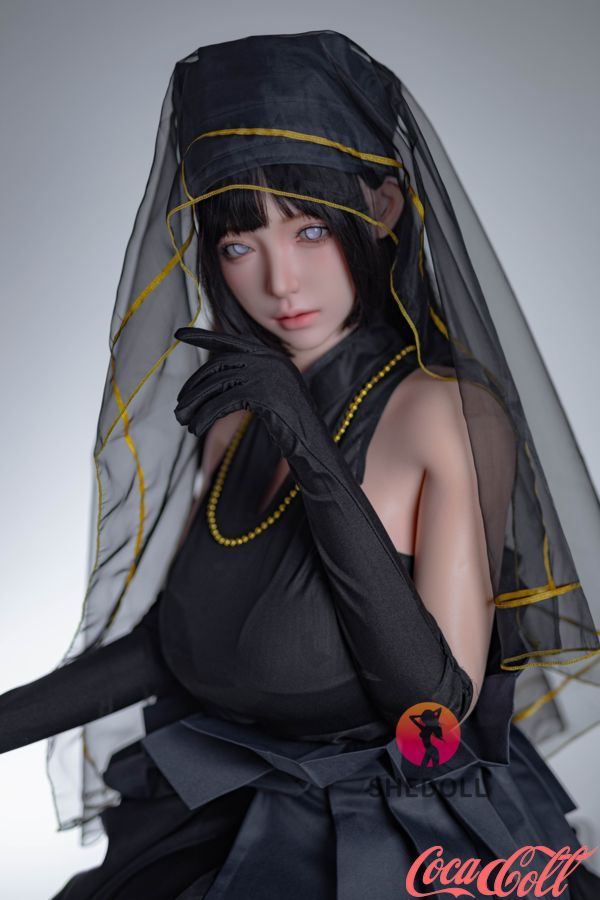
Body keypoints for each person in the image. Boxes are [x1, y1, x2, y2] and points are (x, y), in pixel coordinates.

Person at [1, 30, 599, 899]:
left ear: (382, 208)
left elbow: (434, 719)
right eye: (240, 244)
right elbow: (177, 645)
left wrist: (309, 447)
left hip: (399, 849)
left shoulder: (446, 417)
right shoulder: (236, 418)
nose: (280, 282)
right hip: (222, 814)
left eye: (311, 228)